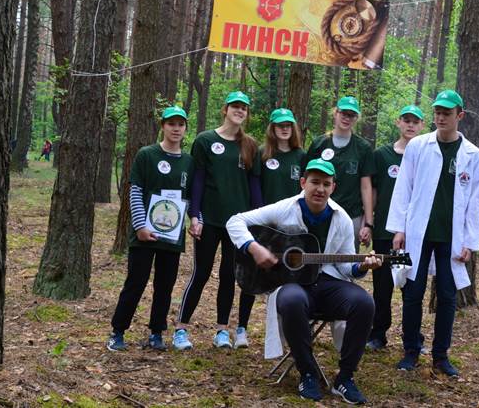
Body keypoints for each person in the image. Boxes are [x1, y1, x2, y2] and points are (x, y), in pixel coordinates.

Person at [226, 158, 381, 404]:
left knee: (364, 303)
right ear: (303, 183)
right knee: (292, 300)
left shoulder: (340, 218)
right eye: (315, 182)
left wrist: (362, 266)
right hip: (292, 283)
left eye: (326, 184)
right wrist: (254, 248)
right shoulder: (285, 208)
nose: (320, 189)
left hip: (326, 282)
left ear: (333, 187)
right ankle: (307, 373)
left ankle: (345, 377)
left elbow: (344, 264)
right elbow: (235, 221)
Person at [386, 90, 479, 376]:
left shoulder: (472, 154)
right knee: (411, 291)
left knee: (447, 295)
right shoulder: (418, 146)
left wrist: (469, 242)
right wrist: (399, 229)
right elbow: (403, 186)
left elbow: (475, 200)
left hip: (451, 237)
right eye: (437, 112)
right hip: (416, 232)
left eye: (447, 113)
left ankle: (441, 356)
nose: (441, 118)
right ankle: (410, 351)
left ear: (459, 116)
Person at [174, 91, 262, 351]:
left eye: (244, 108)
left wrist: (257, 219)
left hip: (238, 224)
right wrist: (195, 214)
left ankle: (222, 331)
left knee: (228, 275)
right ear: (225, 109)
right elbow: (198, 181)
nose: (240, 111)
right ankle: (181, 329)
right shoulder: (205, 140)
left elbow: (254, 186)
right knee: (201, 273)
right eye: (235, 106)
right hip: (209, 220)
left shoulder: (250, 145)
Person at [107, 106, 194, 351]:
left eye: (180, 124)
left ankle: (157, 333)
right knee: (135, 282)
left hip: (172, 236)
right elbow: (135, 191)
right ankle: (117, 332)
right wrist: (140, 226)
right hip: (144, 234)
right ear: (163, 126)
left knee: (164, 287)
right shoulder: (147, 154)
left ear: (185, 128)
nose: (176, 129)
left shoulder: (189, 162)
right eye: (171, 124)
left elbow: (189, 198)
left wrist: (192, 220)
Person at [366, 105, 425, 351]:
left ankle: (413, 337)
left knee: (412, 288)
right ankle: (378, 334)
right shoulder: (382, 155)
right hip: (384, 232)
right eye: (406, 120)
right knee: (382, 286)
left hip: (414, 235)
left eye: (415, 121)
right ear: (398, 122)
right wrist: (369, 222)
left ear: (422, 126)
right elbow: (373, 190)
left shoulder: (425, 155)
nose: (410, 125)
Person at [306, 96, 375, 251]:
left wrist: (368, 223)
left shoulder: (363, 148)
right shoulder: (319, 144)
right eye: (343, 113)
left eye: (351, 115)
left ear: (356, 118)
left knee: (347, 259)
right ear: (335, 113)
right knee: (315, 255)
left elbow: (366, 187)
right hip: (318, 212)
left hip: (351, 214)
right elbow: (307, 181)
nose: (346, 118)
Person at [260, 108, 306, 204]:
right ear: (272, 128)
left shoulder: (301, 155)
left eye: (288, 125)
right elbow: (255, 184)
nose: (285, 129)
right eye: (280, 125)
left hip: (293, 209)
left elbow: (305, 188)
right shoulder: (262, 152)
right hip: (268, 209)